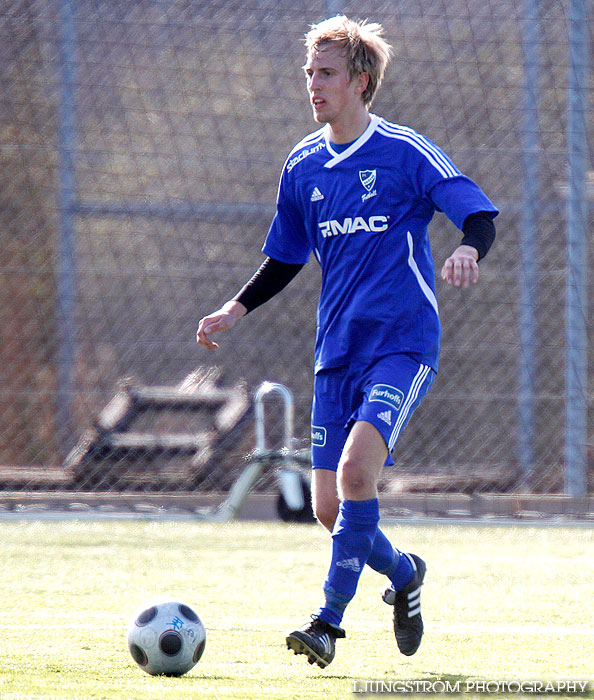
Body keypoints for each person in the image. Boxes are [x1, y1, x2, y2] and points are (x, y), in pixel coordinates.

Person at [197, 15, 498, 669]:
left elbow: (475, 210)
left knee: (360, 473)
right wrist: (235, 307)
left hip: (402, 342)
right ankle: (406, 574)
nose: (313, 83)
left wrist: (469, 250)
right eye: (309, 72)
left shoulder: (405, 152)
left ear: (361, 82)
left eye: (326, 72)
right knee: (331, 510)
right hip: (335, 352)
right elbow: (286, 256)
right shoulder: (304, 164)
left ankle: (328, 622)